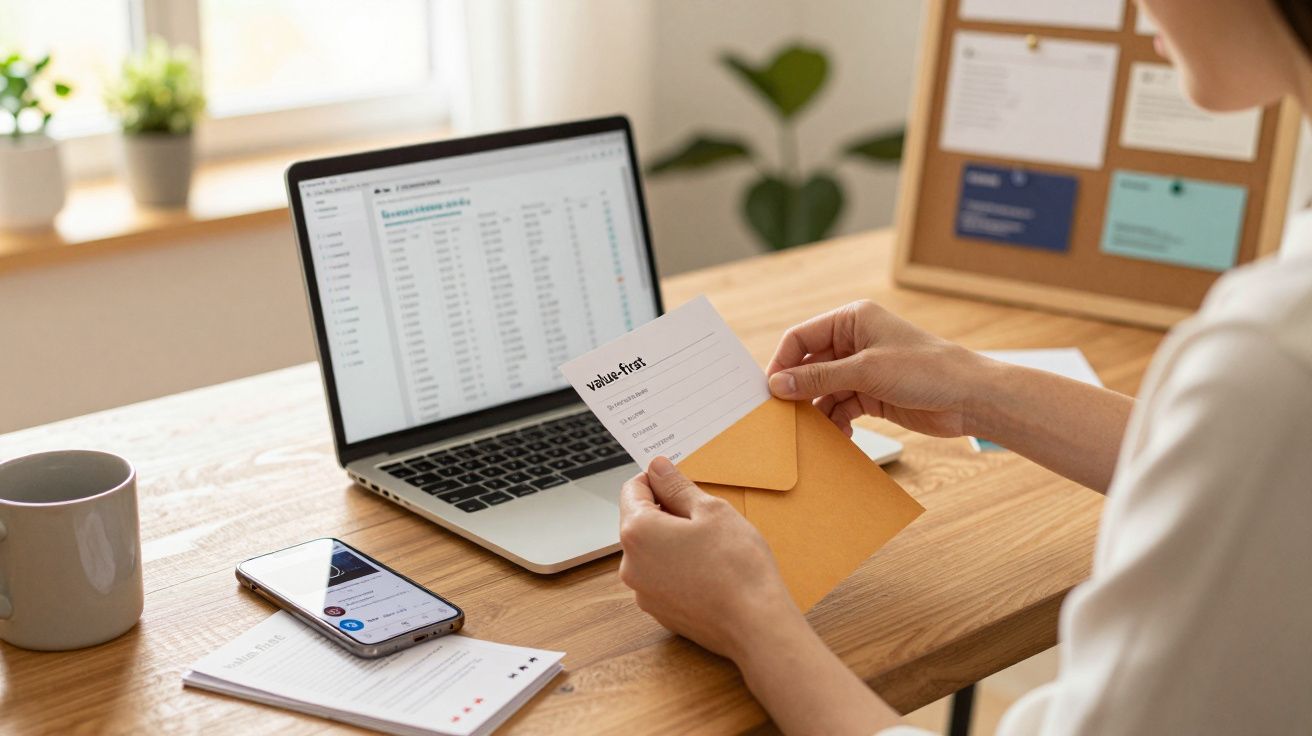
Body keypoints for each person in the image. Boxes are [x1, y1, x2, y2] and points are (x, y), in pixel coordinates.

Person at [616, 0, 1312, 733]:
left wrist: (751, 620)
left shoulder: (1270, 355)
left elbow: (1264, 431)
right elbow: (1261, 472)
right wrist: (978, 390)